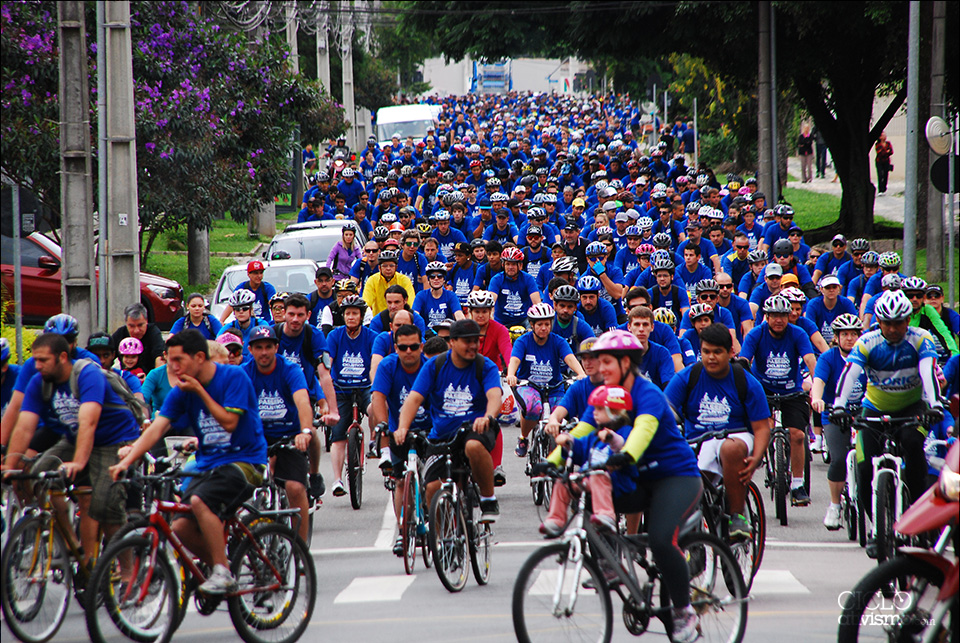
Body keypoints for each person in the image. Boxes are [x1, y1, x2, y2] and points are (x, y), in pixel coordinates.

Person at [546, 330, 703, 642]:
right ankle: (608, 562)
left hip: (675, 477)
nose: (600, 368)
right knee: (588, 487)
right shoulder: (607, 394)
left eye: (606, 362)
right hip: (636, 478)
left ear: (627, 363)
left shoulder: (648, 394)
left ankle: (684, 610)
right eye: (598, 362)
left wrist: (627, 453)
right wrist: (553, 460)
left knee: (661, 541)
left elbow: (643, 428)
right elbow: (583, 430)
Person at [110, 330, 267, 594]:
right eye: (169, 360)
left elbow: (229, 422)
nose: (173, 367)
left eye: (179, 360)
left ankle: (223, 572)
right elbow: (158, 427)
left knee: (199, 501)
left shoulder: (232, 377)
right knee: (180, 526)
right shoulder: (183, 389)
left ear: (199, 357)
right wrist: (130, 457)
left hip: (245, 461)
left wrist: (200, 391)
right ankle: (223, 564)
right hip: (209, 465)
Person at [4, 333, 142, 566]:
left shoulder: (87, 374)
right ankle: (71, 543)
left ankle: (127, 569)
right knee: (37, 474)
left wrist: (78, 462)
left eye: (43, 360)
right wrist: (9, 465)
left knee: (105, 504)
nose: (37, 366)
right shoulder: (40, 382)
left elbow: (89, 421)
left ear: (63, 357)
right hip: (74, 439)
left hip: (114, 440)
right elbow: (24, 426)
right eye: (35, 360)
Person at [831, 290, 944, 556]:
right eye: (887, 323)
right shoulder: (867, 342)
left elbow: (928, 374)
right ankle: (877, 529)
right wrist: (839, 405)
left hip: (912, 408)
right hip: (874, 409)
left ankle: (919, 520)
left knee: (913, 446)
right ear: (879, 323)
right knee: (864, 465)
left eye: (899, 323)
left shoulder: (921, 340)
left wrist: (935, 405)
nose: (893, 329)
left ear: (908, 321)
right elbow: (850, 374)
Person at [665, 323, 771, 540]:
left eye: (717, 352)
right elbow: (663, 410)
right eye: (706, 352)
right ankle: (691, 538)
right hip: (697, 439)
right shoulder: (687, 377)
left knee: (730, 449)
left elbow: (761, 427)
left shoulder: (747, 382)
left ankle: (737, 516)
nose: (711, 357)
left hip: (737, 435)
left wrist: (757, 457)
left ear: (730, 353)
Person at [394, 319, 503, 522]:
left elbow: (495, 395)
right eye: (466, 341)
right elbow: (414, 399)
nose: (473, 346)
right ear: (452, 342)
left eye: (476, 341)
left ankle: (488, 498)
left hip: (474, 429)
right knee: (433, 489)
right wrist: (402, 428)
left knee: (473, 446)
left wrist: (488, 416)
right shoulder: (435, 366)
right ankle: (446, 540)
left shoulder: (485, 366)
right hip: (442, 437)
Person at [740, 295, 818, 506]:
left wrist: (817, 386)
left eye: (783, 315)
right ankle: (766, 460)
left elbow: (810, 359)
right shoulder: (756, 334)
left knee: (798, 435)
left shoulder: (798, 333)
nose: (779, 320)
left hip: (791, 390)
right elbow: (744, 361)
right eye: (774, 316)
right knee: (762, 428)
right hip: (763, 389)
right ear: (766, 316)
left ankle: (798, 485)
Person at [243, 326, 317, 542]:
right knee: (239, 487)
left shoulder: (290, 370)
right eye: (258, 347)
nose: (264, 352)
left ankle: (300, 548)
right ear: (251, 349)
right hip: (257, 439)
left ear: (276, 347)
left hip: (289, 437)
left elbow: (302, 401)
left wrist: (304, 432)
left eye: (268, 347)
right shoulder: (244, 372)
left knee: (295, 487)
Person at [541, 385, 637, 536]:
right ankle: (556, 520)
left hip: (616, 481)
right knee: (563, 482)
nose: (594, 413)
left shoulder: (625, 431)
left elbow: (623, 445)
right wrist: (568, 441)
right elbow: (580, 448)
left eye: (599, 409)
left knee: (598, 476)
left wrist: (611, 438)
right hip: (588, 479)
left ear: (615, 412)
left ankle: (606, 515)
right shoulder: (595, 435)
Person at [370, 323, 431, 555]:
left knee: (435, 480)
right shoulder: (388, 366)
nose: (408, 351)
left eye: (413, 347)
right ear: (396, 347)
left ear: (421, 346)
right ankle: (403, 531)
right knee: (399, 482)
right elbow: (378, 398)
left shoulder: (430, 366)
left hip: (429, 429)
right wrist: (383, 425)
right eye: (403, 347)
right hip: (399, 432)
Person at [810, 314, 867, 531]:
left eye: (854, 334)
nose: (850, 339)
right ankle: (834, 505)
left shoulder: (865, 356)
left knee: (870, 459)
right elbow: (819, 381)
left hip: (863, 413)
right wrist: (817, 398)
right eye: (845, 334)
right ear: (836, 337)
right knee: (838, 459)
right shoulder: (828, 358)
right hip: (834, 413)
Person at [507, 304, 586, 458]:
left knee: (560, 417)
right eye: (540, 324)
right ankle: (523, 438)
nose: (544, 328)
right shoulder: (523, 341)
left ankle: (555, 452)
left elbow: (569, 358)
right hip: (529, 386)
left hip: (554, 387)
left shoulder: (558, 341)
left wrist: (581, 373)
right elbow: (515, 360)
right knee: (532, 407)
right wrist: (511, 374)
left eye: (547, 324)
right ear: (532, 324)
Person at [323, 295, 377, 497]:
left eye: (355, 313)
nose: (351, 317)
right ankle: (337, 480)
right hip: (341, 389)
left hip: (365, 387)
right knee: (338, 436)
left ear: (361, 316)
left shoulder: (371, 336)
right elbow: (328, 365)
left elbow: (376, 363)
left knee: (374, 408)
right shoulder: (335, 336)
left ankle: (373, 442)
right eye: (347, 313)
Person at [489, 246, 542, 328]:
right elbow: (491, 303)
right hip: (501, 321)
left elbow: (537, 303)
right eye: (508, 264)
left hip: (524, 320)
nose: (510, 267)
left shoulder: (528, 279)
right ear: (503, 265)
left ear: (520, 266)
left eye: (513, 264)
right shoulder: (496, 279)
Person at [111, 303, 166, 372]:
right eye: (131, 326)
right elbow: (108, 354)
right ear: (126, 323)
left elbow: (159, 357)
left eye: (140, 325)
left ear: (146, 321)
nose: (136, 330)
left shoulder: (153, 333)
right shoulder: (120, 334)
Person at [217, 289, 271, 359]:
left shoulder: (261, 325)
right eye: (237, 309)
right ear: (233, 311)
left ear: (251, 309)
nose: (241, 311)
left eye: (245, 308)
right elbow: (217, 346)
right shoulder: (228, 328)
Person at [361, 250, 415, 316]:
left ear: (396, 267)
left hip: (400, 317)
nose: (388, 268)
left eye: (391, 265)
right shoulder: (372, 280)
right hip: (379, 318)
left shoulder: (404, 280)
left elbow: (411, 303)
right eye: (385, 266)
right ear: (379, 268)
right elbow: (366, 303)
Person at [412, 261, 465, 326]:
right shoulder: (421, 295)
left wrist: (463, 325)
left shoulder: (451, 295)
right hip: (427, 334)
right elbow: (415, 315)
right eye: (432, 276)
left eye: (439, 276)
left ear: (444, 279)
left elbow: (458, 314)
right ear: (429, 280)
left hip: (446, 332)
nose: (436, 279)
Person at [874, 131, 894, 196]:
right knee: (880, 175)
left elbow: (891, 151)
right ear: (880, 137)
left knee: (886, 174)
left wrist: (885, 151)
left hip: (886, 161)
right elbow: (880, 153)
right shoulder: (878, 144)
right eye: (883, 135)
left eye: (885, 135)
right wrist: (886, 151)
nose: (885, 136)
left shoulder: (888, 143)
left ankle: (884, 189)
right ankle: (880, 189)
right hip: (879, 161)